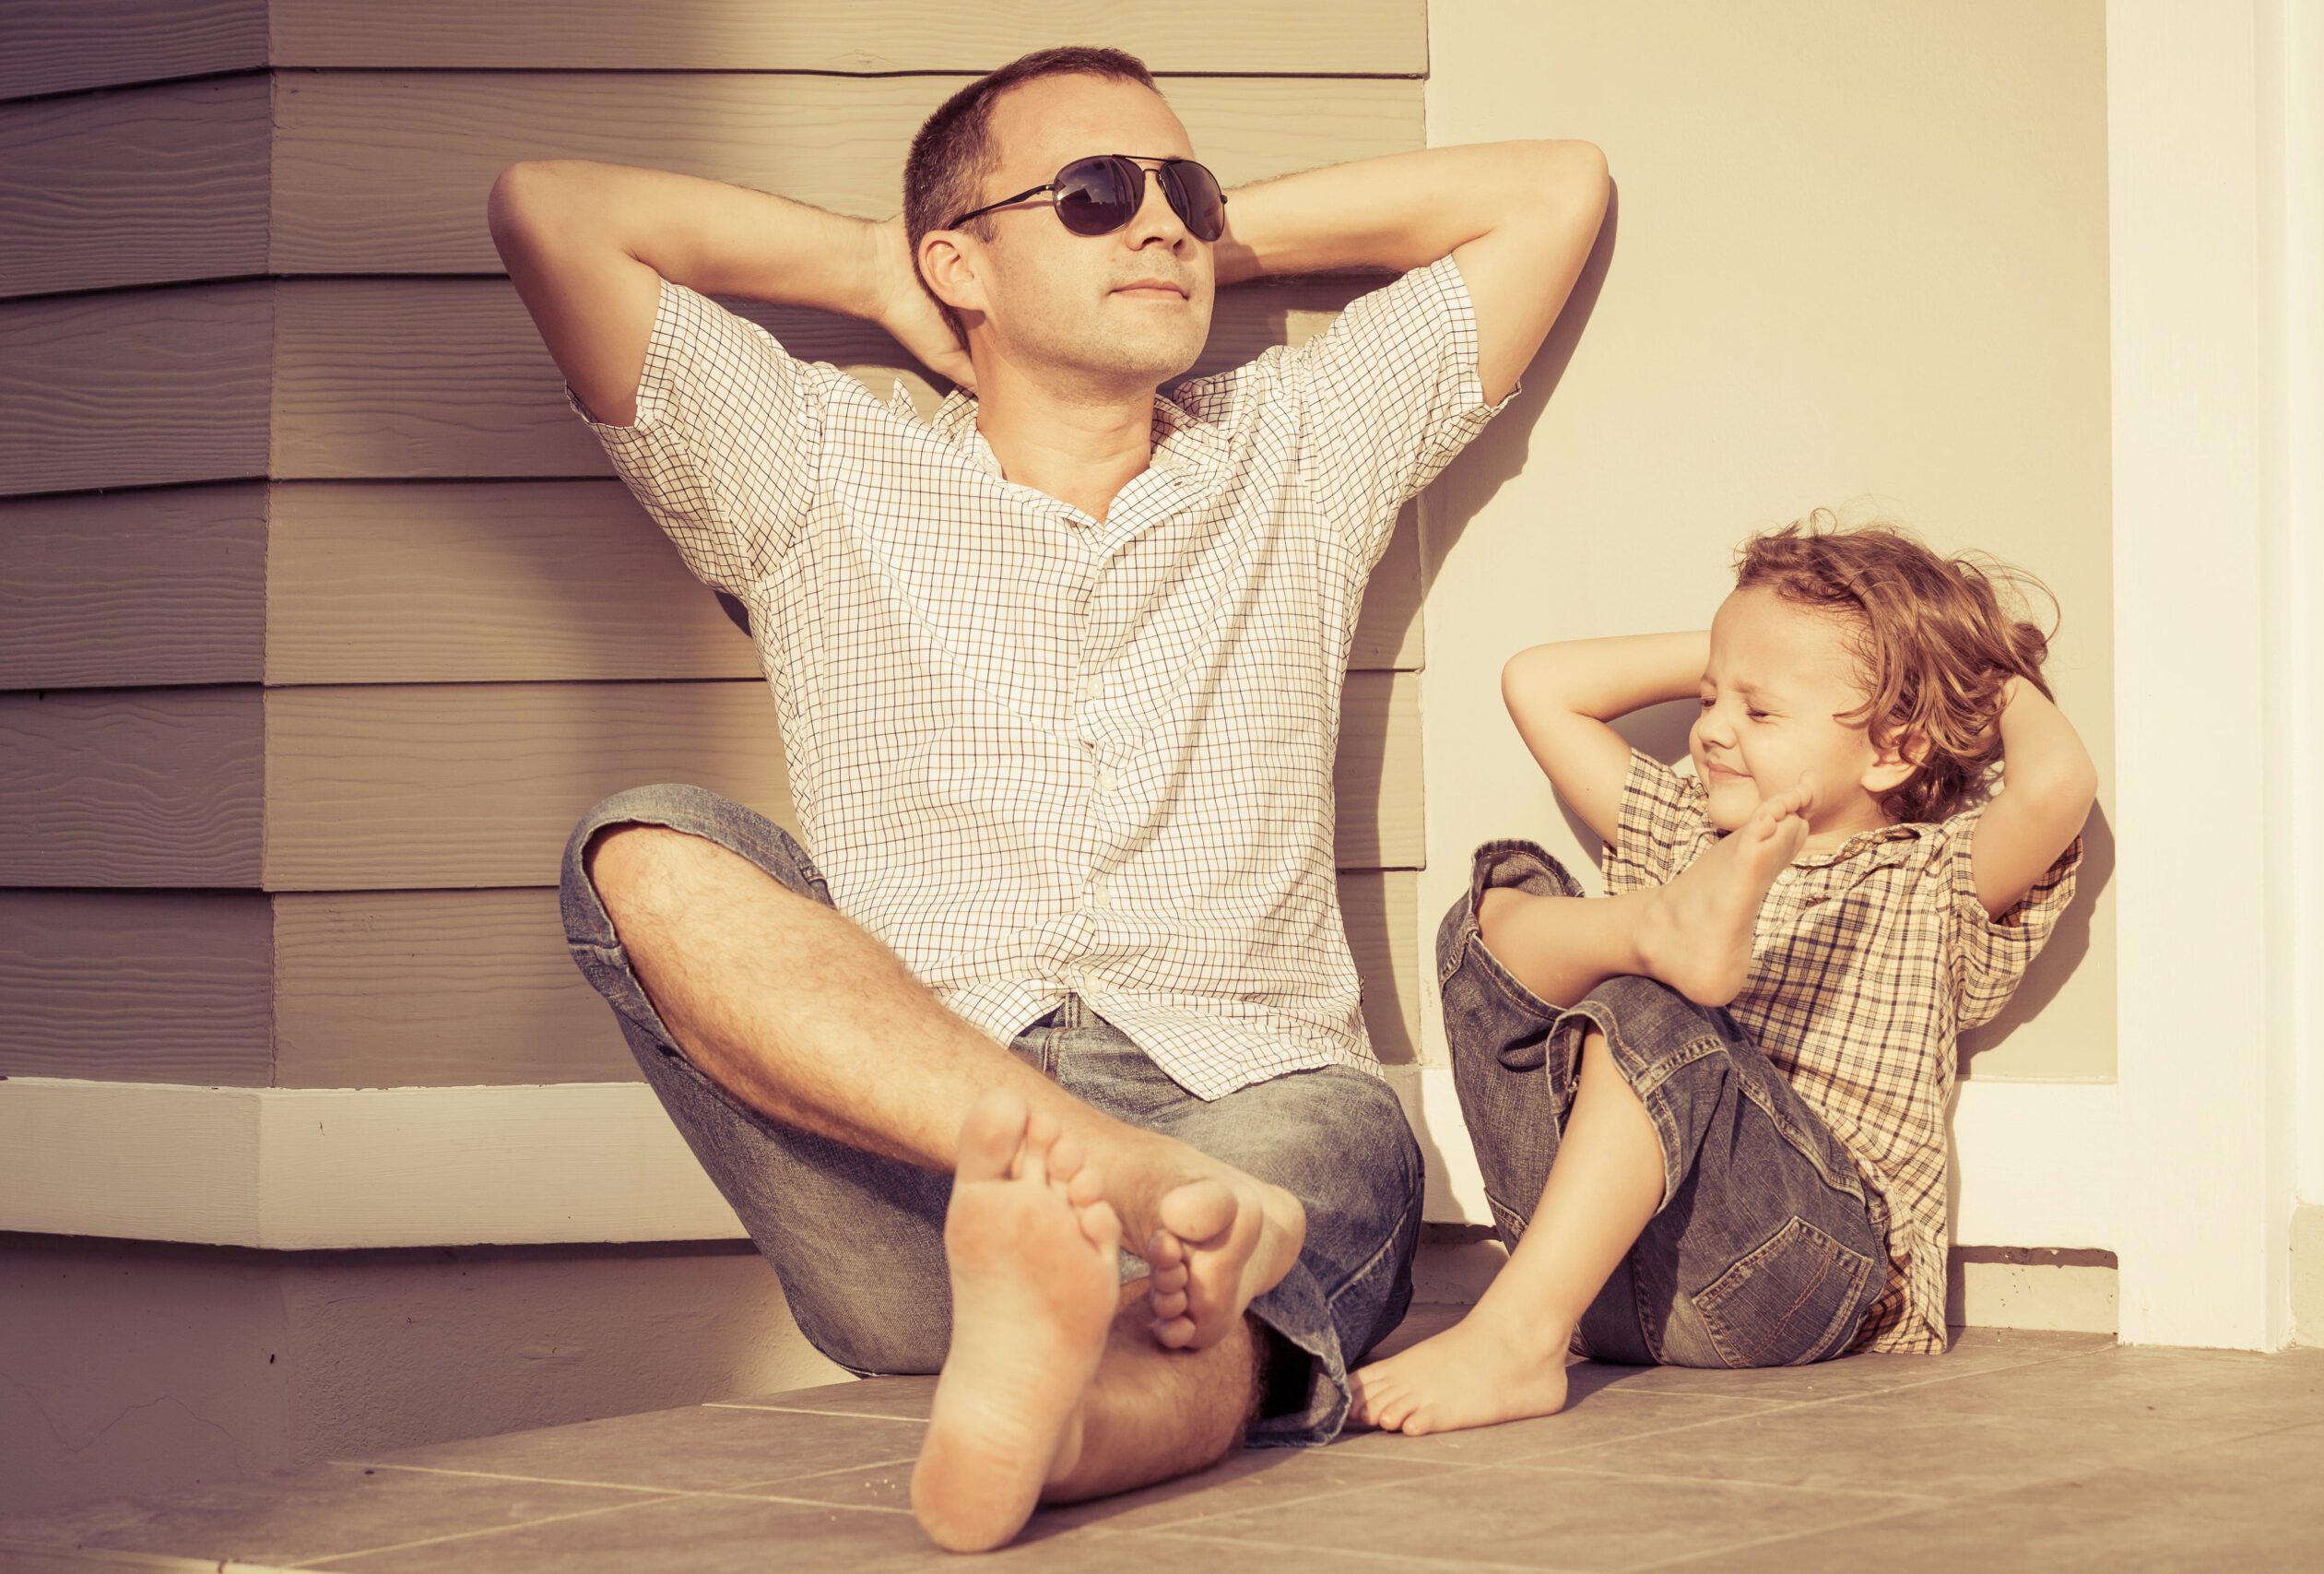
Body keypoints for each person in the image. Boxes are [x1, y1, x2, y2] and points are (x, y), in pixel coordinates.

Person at [486, 44, 1609, 1551]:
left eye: (1181, 191)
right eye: (1091, 194)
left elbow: (1549, 191)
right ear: (962, 259)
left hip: (1251, 1104)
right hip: (918, 1166)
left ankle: (1042, 1418)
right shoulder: (820, 461)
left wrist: (1169, 233)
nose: (1159, 225)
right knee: (642, 844)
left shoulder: (1294, 448)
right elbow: (551, 213)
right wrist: (879, 272)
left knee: (1263, 1230)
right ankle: (1131, 1202)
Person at [1350, 515, 2094, 1437]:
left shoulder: (1930, 877)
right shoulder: (1678, 830)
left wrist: (1974, 666)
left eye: (1760, 711)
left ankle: (1511, 1337)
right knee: (1490, 919)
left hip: (1800, 1274)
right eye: (1710, 698)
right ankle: (1656, 937)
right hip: (1609, 1288)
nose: (1710, 731)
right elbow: (1537, 685)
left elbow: (2057, 785)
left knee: (1643, 1007)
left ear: (1894, 747)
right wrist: (1746, 649)